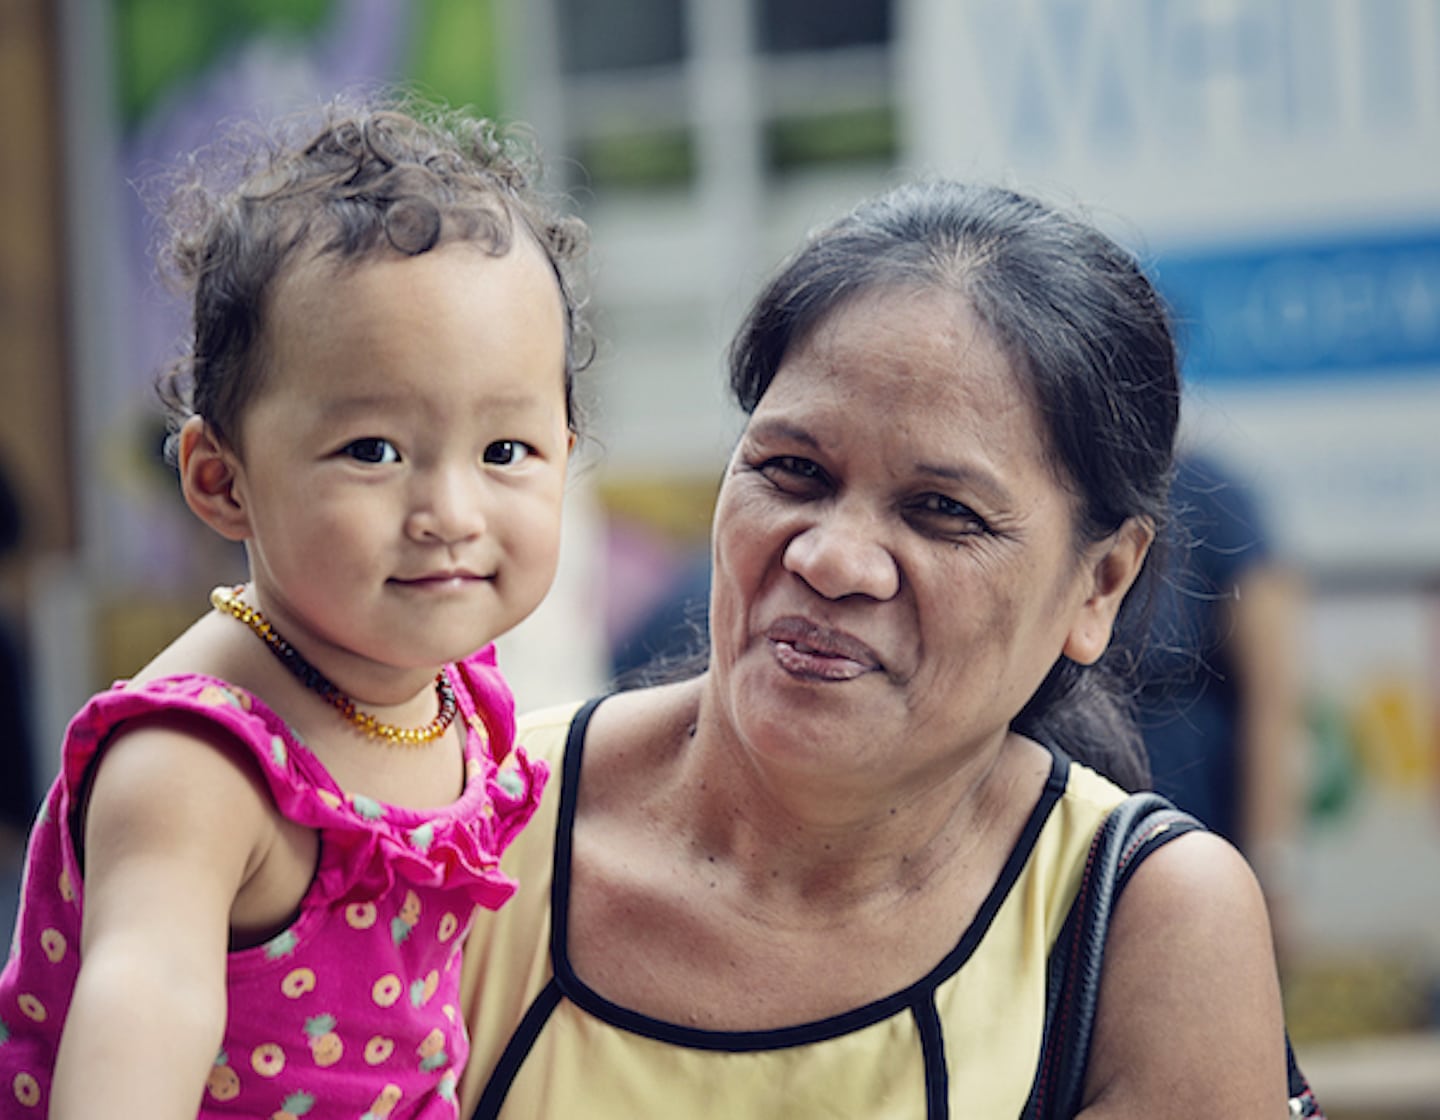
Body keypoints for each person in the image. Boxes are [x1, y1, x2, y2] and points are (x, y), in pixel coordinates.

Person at [456, 180, 1296, 1118]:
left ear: (1099, 584)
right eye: (793, 471)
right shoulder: (463, 828)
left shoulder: (1148, 928)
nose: (831, 558)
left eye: (943, 512)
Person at [0, 94, 588, 1119]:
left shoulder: (452, 698)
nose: (449, 512)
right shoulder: (195, 761)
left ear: (567, 460)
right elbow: (147, 1004)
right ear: (221, 480)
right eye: (374, 451)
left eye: (506, 451)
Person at [1136, 452, 1306, 932]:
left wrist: (1273, 870)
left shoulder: (1214, 496)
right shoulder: (1065, 479)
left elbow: (1273, 701)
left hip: (1192, 830)